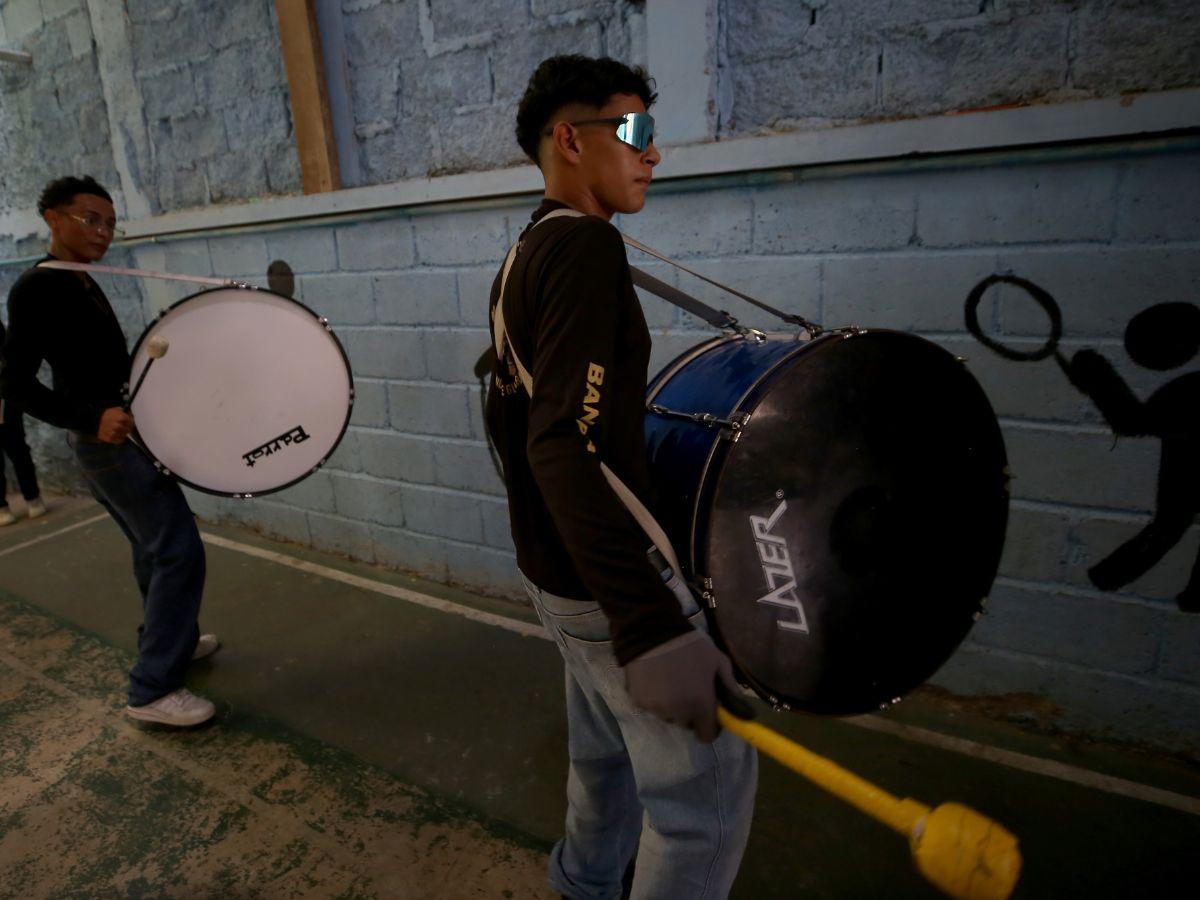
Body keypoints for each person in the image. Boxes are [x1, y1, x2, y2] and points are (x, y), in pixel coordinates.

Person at [486, 56, 757, 899]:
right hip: (607, 586)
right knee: (701, 804)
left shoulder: (528, 245)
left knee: (603, 757)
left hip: (557, 573)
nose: (653, 153)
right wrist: (648, 625)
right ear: (571, 138)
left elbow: (516, 418)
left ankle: (582, 884)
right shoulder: (585, 248)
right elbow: (562, 445)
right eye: (634, 131)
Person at [0, 175, 219, 726]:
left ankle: (174, 643)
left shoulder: (79, 280)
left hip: (124, 438)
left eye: (110, 224)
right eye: (89, 219)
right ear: (52, 218)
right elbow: (16, 386)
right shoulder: (38, 288)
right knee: (177, 550)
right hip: (105, 445)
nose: (102, 232)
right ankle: (152, 691)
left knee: (153, 550)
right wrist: (91, 418)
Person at [0, 318, 46, 526]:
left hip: (5, 400)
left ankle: (33, 497)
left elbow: (7, 354)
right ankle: (2, 507)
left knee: (18, 449)